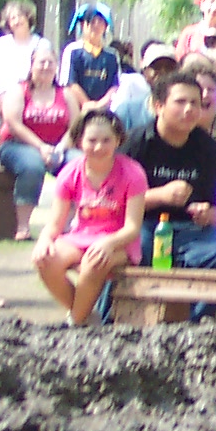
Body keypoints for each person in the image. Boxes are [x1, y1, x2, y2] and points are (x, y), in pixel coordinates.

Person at [30, 110, 146, 325]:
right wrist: (44, 240)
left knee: (93, 262)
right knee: (46, 260)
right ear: (79, 142)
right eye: (92, 141)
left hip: (118, 242)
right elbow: (55, 223)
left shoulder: (133, 173)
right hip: (81, 237)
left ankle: (75, 322)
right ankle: (85, 317)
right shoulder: (70, 172)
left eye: (106, 140)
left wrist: (109, 243)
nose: (99, 147)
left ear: (118, 141)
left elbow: (132, 227)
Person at [121, 69, 216, 281]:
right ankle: (110, 313)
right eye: (180, 102)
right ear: (158, 106)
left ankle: (199, 315)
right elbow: (111, 198)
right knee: (129, 250)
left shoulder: (208, 148)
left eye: (195, 103)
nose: (188, 109)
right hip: (142, 226)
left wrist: (211, 213)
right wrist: (159, 196)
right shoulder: (135, 143)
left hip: (193, 231)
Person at [1, 42, 76, 242]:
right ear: (32, 65)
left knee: (78, 163)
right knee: (33, 165)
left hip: (57, 146)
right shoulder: (19, 91)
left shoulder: (65, 94)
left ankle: (66, 226)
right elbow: (14, 124)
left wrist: (60, 148)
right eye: (41, 62)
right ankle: (23, 226)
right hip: (17, 145)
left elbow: (75, 127)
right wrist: (41, 147)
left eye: (50, 62)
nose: (46, 66)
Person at [58, 4, 122, 110]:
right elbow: (69, 82)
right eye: (92, 21)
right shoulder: (73, 51)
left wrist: (100, 105)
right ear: (83, 25)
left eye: (100, 21)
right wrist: (86, 103)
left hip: (105, 110)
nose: (96, 25)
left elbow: (116, 85)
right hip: (76, 110)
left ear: (106, 26)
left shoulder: (112, 55)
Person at [0, 0, 41, 90]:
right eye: (13, 18)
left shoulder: (41, 44)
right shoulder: (2, 44)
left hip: (33, 96)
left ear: (28, 18)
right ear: (8, 23)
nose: (17, 21)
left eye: (20, 16)